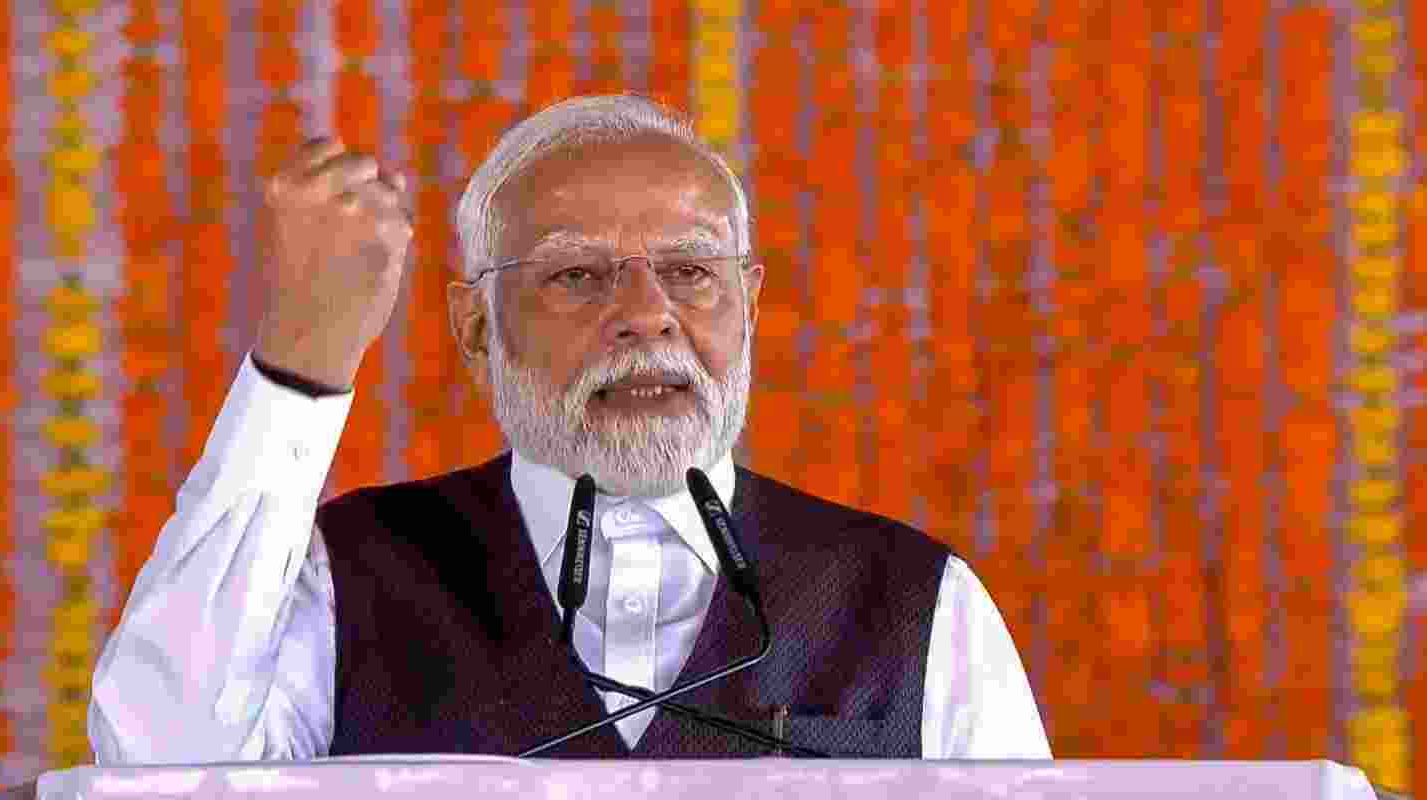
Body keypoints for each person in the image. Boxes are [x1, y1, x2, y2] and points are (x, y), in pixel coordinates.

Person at [87, 95, 1051, 762]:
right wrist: (300, 370)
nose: (646, 314)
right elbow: (159, 765)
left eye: (691, 270)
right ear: (474, 325)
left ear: (748, 307)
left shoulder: (917, 601)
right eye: (576, 275)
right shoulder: (354, 571)